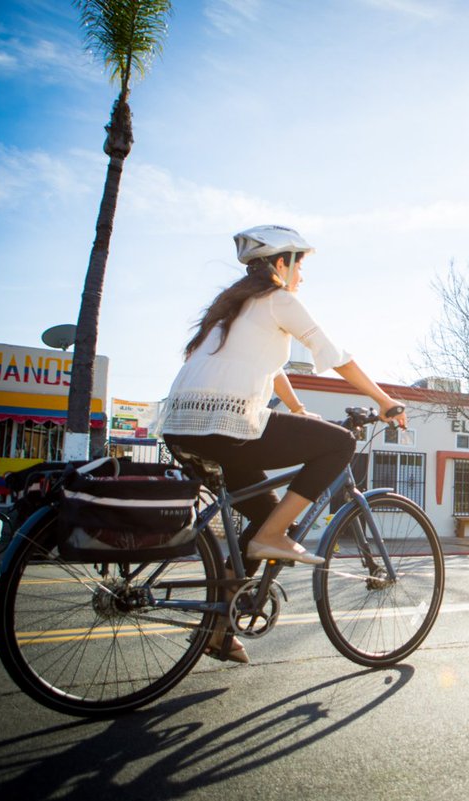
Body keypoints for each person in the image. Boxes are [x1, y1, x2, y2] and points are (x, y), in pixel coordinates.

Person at [159, 225, 406, 661]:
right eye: (300, 266)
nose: (302, 277)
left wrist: (297, 409)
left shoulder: (232, 307)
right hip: (228, 424)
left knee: (264, 516)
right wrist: (385, 400)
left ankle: (219, 627)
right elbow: (335, 355)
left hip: (182, 426)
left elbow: (271, 368)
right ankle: (273, 535)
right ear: (281, 263)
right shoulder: (278, 299)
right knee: (339, 445)